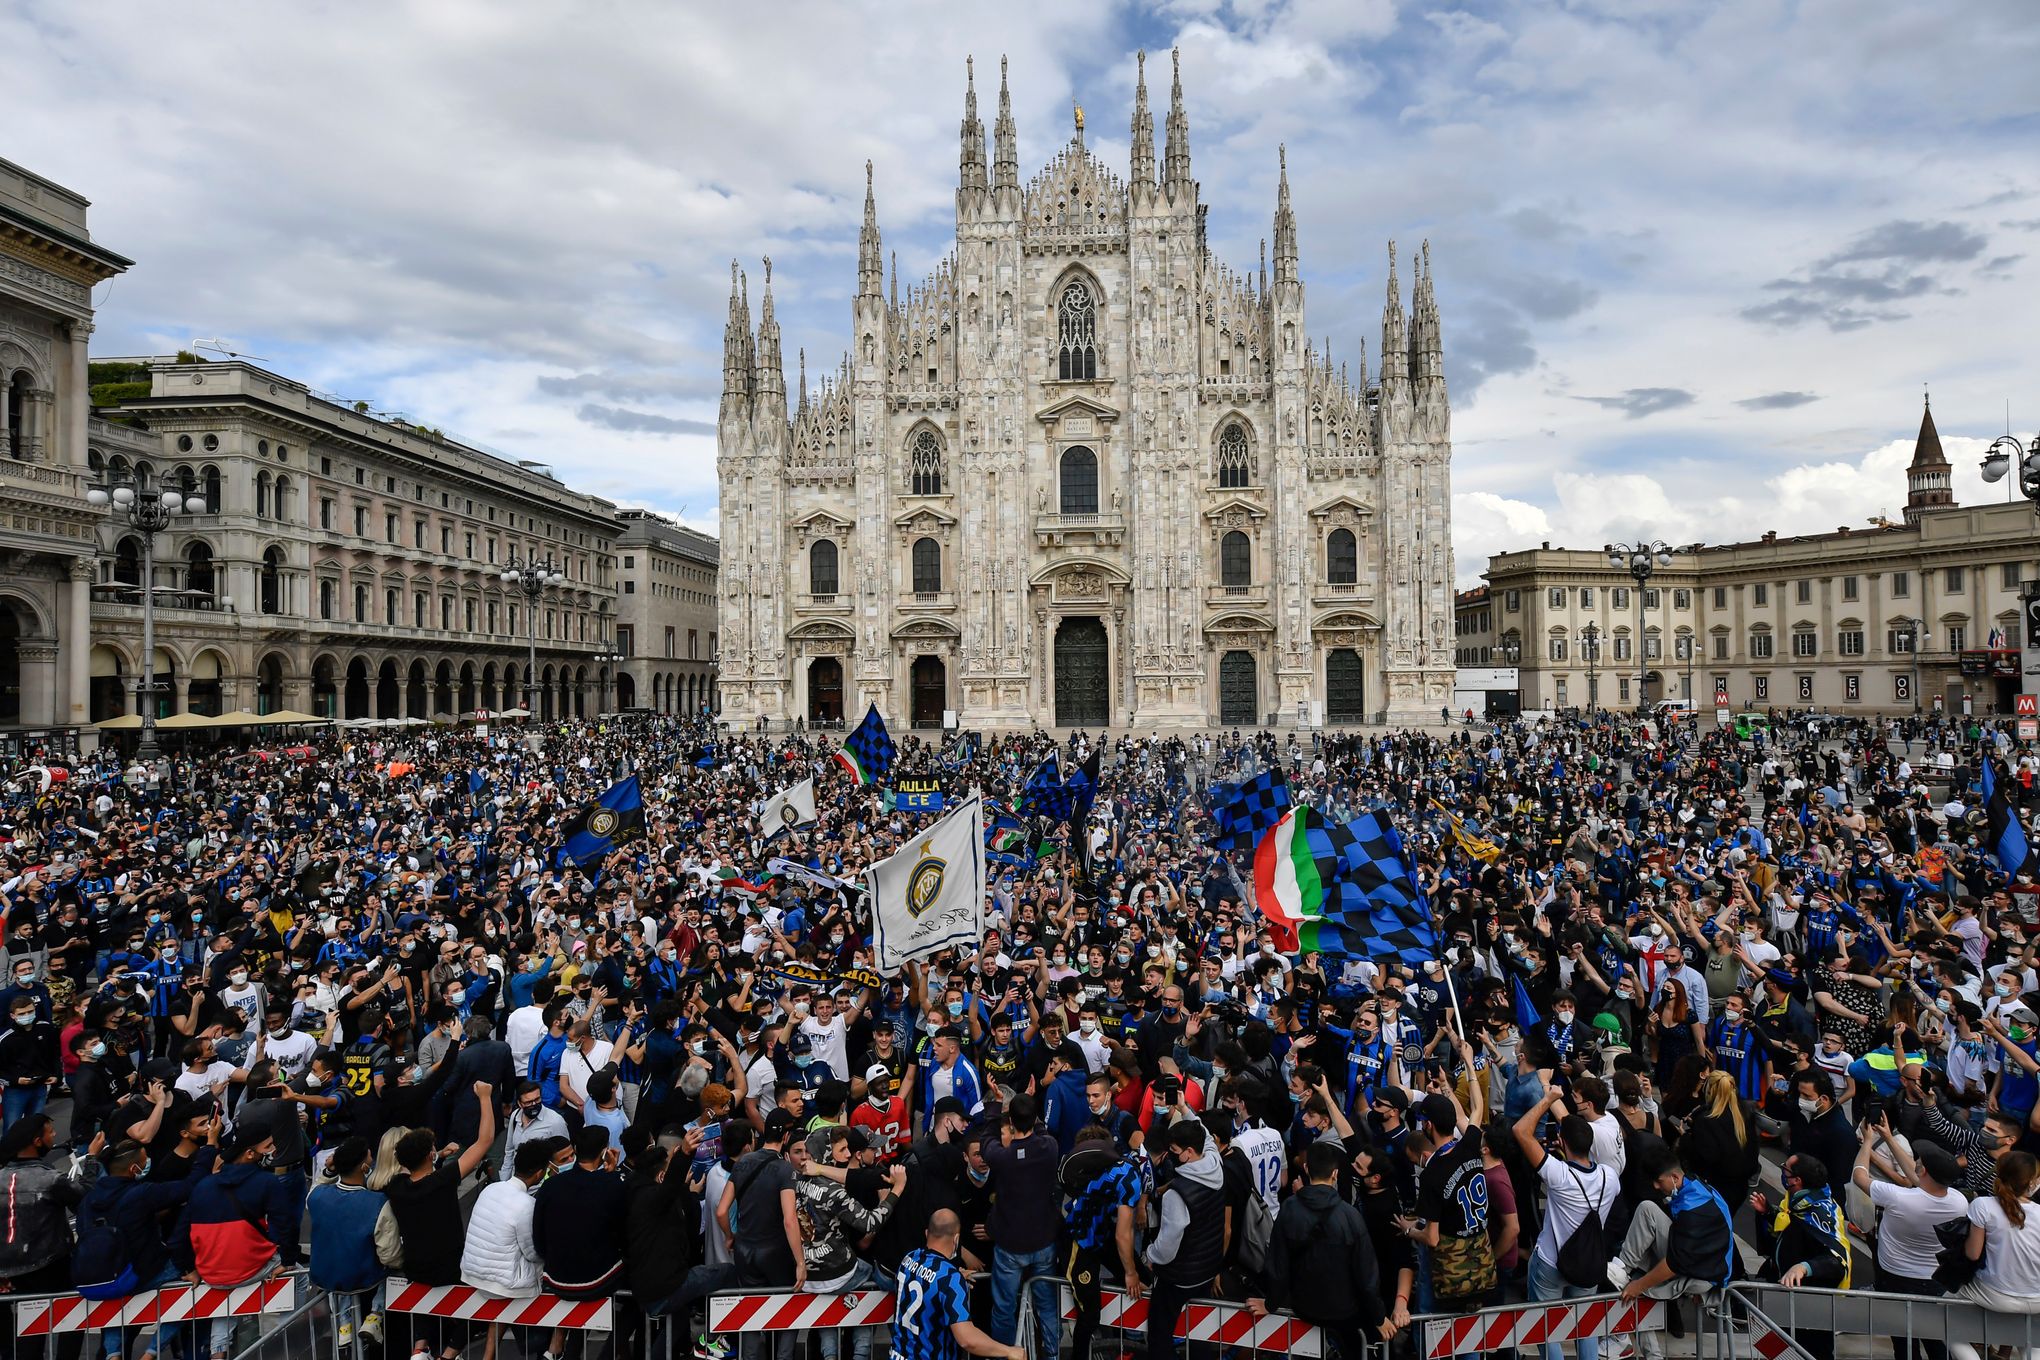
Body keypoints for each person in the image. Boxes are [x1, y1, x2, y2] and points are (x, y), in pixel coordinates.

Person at [1250, 1139, 1393, 1360]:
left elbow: (1278, 1262)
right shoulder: (1350, 1216)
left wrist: (1271, 1303)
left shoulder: (1289, 1208)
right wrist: (1379, 1316)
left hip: (1303, 1306)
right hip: (1344, 1310)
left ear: (1306, 1168)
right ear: (1335, 1174)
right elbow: (1367, 1274)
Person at [1513, 1087, 1618, 1360]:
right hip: (1590, 1262)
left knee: (1544, 1329)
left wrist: (1549, 1099)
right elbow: (1587, 1170)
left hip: (1550, 1262)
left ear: (1562, 1140)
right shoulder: (1610, 1178)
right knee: (1586, 1327)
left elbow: (1521, 1131)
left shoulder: (1558, 1174)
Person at [1852, 1117, 1966, 1360]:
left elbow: (1859, 1176)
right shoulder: (1958, 1201)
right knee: (1934, 1337)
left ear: (1923, 1169)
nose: (1916, 1163)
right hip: (1933, 1279)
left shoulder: (1897, 1197)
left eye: (1919, 1162)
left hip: (1895, 1277)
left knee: (1903, 1339)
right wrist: (1890, 1139)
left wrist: (1867, 1144)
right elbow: (1919, 1180)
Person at [179, 1126, 295, 1360]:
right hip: (250, 1267)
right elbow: (287, 1226)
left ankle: (218, 1353)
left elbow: (179, 1234)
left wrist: (189, 1269)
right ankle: (288, 1340)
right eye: (268, 1147)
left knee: (225, 1301)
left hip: (212, 1272)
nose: (272, 1150)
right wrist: (289, 1261)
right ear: (250, 1154)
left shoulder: (203, 1186)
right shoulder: (267, 1183)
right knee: (298, 1279)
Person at [1612, 1150, 1737, 1360]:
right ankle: (1624, 1270)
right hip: (1706, 1264)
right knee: (1638, 1278)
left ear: (1675, 1177)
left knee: (1636, 1286)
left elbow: (1672, 1265)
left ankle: (1622, 1270)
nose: (1656, 1187)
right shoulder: (1694, 1186)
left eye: (1659, 1182)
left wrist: (1639, 1285)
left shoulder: (1693, 1210)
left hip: (1701, 1273)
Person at [981, 1092, 1061, 1359]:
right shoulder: (1050, 1148)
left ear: (1012, 1123)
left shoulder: (1003, 1158)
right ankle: (1052, 1354)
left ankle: (1005, 1354)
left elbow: (987, 1140)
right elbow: (1040, 1129)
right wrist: (1028, 1101)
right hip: (1043, 1241)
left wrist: (994, 1107)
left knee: (1004, 1306)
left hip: (1010, 1245)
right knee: (1047, 1303)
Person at [720, 1109, 804, 1360]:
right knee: (786, 1311)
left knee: (750, 1315)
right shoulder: (784, 1170)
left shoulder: (743, 1162)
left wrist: (730, 1235)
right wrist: (800, 1262)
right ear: (786, 1136)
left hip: (745, 1251)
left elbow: (722, 1210)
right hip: (776, 1253)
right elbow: (789, 1220)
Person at [889, 1210, 1024, 1360]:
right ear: (957, 1239)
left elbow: (925, 1285)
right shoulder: (949, 1278)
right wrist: (1009, 1351)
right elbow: (967, 1340)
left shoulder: (909, 1259)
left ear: (927, 1233)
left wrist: (954, 1275)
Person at [1145, 1120, 1227, 1360]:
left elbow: (1168, 1245)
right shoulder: (1215, 1165)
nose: (1170, 1155)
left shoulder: (1176, 1194)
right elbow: (1208, 1141)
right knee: (1200, 1330)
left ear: (1189, 1152)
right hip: (1208, 1270)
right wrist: (1184, 1108)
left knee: (1159, 1334)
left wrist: (1151, 1255)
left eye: (1175, 1151)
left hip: (1179, 1278)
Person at [1947, 1151, 2040, 1360]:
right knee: (2031, 1341)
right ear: (2031, 1182)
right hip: (2036, 1297)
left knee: (1943, 1315)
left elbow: (1972, 1254)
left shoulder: (1983, 1206)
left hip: (1995, 1294)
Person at [306, 1137, 389, 1356]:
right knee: (392, 1266)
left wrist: (327, 1172)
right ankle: (375, 1315)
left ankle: (344, 1324)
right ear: (364, 1167)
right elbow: (387, 1253)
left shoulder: (318, 1197)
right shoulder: (378, 1201)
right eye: (370, 1157)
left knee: (341, 1269)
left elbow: (317, 1186)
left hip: (325, 1274)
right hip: (364, 1277)